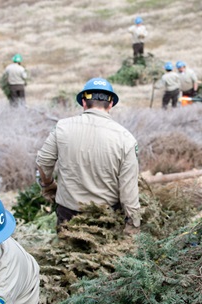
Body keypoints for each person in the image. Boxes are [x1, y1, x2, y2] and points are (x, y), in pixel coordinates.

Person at [35, 78, 141, 235]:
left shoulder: (62, 128)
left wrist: (48, 186)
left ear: (83, 102)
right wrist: (133, 222)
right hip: (106, 217)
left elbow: (43, 163)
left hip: (68, 212)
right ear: (111, 104)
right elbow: (128, 189)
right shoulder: (126, 139)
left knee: (66, 256)